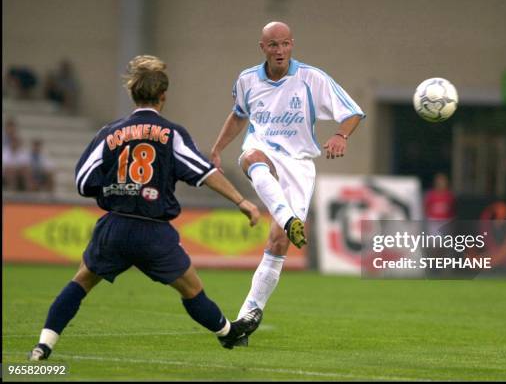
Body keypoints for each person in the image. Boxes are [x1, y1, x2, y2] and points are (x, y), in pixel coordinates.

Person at [28, 55, 263, 361]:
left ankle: (43, 346)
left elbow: (83, 180)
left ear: (133, 94)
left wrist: (116, 189)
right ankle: (228, 333)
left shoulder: (109, 133)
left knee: (81, 282)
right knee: (192, 290)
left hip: (115, 226)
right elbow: (205, 173)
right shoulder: (171, 134)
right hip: (154, 233)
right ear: (163, 96)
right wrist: (242, 201)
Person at [210, 21, 365, 345]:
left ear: (292, 45)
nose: (279, 51)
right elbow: (239, 115)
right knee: (253, 159)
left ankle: (245, 319)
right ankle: (287, 216)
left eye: (284, 44)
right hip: (262, 148)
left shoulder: (312, 78)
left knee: (279, 242)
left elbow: (352, 112)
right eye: (272, 45)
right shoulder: (247, 79)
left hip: (299, 163)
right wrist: (218, 148)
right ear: (262, 48)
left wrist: (340, 134)